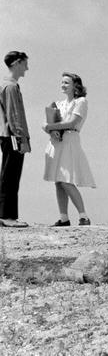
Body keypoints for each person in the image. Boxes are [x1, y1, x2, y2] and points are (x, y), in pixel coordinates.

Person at [42, 73, 95, 227]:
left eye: (66, 82)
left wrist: (50, 126)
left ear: (75, 86)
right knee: (58, 181)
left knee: (66, 180)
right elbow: (46, 122)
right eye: (62, 82)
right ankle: (64, 218)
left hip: (70, 141)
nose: (63, 85)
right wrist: (50, 129)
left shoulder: (81, 102)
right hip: (57, 143)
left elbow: (73, 122)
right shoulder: (58, 104)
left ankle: (83, 216)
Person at [0, 50, 31, 228]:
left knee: (9, 174)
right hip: (12, 136)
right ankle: (7, 216)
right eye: (25, 63)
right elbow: (13, 116)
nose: (27, 68)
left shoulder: (9, 85)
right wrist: (21, 139)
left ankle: (7, 215)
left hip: (9, 135)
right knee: (10, 175)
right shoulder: (10, 86)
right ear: (17, 63)